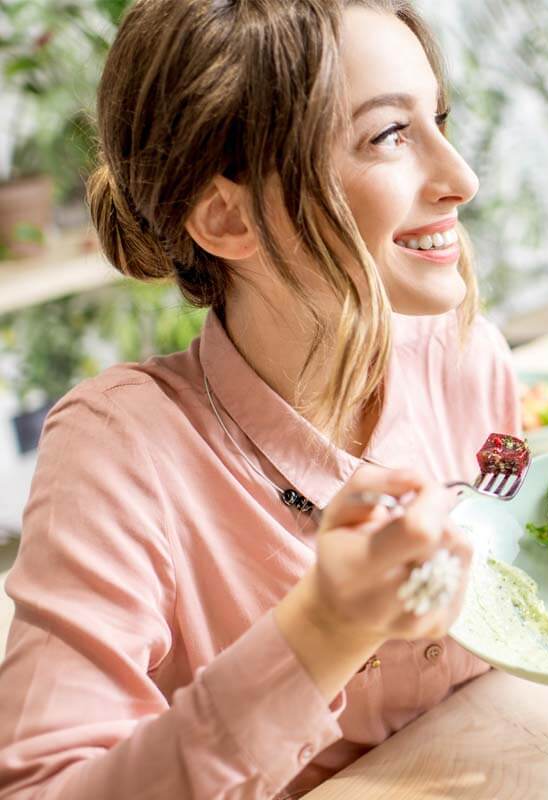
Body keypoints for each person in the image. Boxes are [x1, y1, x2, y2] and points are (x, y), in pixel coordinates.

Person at [0, 2, 520, 797]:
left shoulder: (469, 357)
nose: (461, 179)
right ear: (228, 216)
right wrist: (323, 630)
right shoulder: (117, 451)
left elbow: (517, 578)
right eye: (390, 135)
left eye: (438, 120)